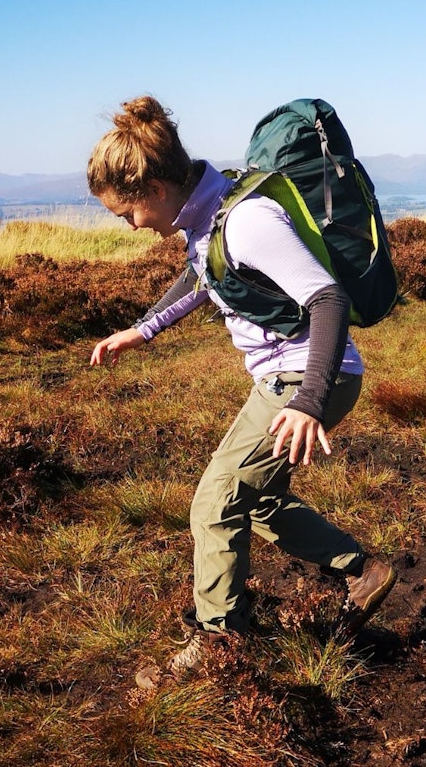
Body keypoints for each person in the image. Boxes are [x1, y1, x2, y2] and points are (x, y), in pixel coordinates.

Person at [86, 96, 396, 666]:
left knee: (215, 503)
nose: (131, 226)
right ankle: (362, 570)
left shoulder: (247, 219)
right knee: (256, 500)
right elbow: (204, 273)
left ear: (154, 190)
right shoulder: (207, 215)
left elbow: (328, 299)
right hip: (284, 376)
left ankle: (218, 644)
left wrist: (307, 402)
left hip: (305, 376)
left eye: (126, 213)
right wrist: (142, 330)